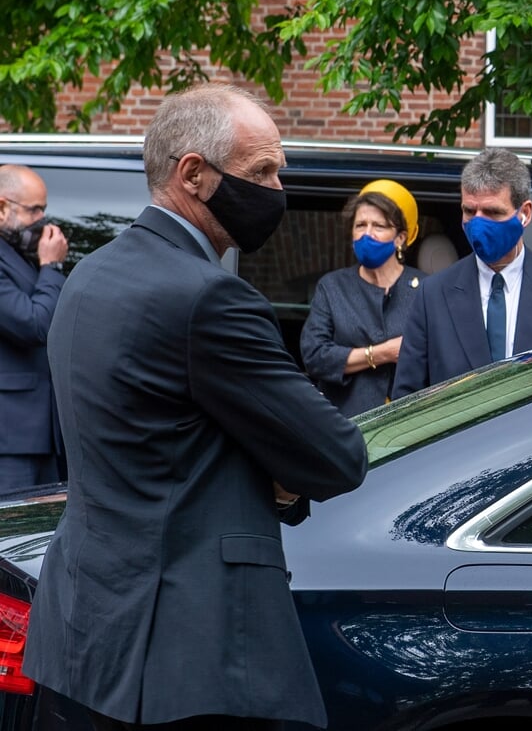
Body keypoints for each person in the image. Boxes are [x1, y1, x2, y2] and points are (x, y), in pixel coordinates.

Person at [23, 83, 369, 730]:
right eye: (261, 170)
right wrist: (278, 471)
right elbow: (337, 455)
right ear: (193, 174)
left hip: (80, 637)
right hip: (188, 662)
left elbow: (153, 435)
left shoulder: (87, 276)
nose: (276, 190)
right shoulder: (210, 298)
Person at [393, 148, 532, 397]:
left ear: (525, 213)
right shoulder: (433, 296)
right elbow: (407, 400)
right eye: (470, 211)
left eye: (493, 212)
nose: (478, 223)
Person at [301, 180, 426, 416]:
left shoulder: (426, 289)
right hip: (345, 423)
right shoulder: (333, 287)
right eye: (360, 225)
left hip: (410, 425)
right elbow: (315, 356)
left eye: (378, 226)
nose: (367, 235)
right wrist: (384, 352)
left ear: (400, 238)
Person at [0, 164, 69, 491]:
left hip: (43, 433)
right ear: (2, 207)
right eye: (35, 210)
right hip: (11, 437)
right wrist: (52, 265)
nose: (44, 220)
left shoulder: (18, 254)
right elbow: (34, 324)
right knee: (14, 537)